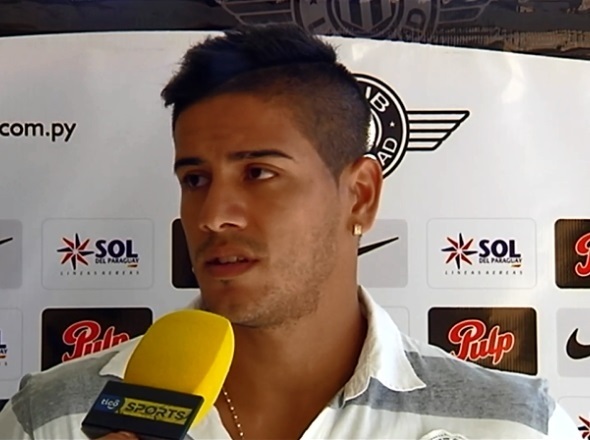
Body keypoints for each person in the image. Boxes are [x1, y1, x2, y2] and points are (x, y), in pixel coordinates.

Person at [0, 24, 580, 440]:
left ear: (359, 195)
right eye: (195, 178)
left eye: (258, 173)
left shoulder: (511, 425)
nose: (212, 216)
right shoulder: (53, 417)